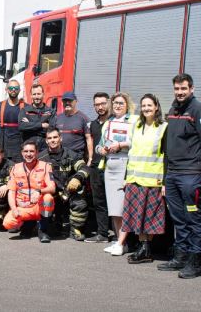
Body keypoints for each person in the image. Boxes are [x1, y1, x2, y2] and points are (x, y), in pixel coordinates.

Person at [157, 73, 201, 279]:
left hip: (191, 175)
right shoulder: (173, 109)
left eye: (183, 89)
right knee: (178, 219)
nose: (180, 92)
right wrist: (165, 177)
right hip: (172, 175)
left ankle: (194, 260)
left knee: (194, 219)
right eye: (177, 89)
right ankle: (180, 256)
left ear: (192, 89)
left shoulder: (199, 110)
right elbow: (167, 146)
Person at [121, 94, 168, 264]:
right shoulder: (137, 125)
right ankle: (144, 248)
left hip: (153, 181)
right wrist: (127, 178)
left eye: (149, 105)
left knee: (150, 217)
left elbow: (167, 156)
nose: (146, 108)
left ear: (156, 107)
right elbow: (132, 153)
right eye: (143, 105)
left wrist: (165, 182)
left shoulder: (163, 127)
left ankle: (146, 248)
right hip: (135, 179)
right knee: (137, 216)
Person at [97, 92, 137, 256]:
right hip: (110, 165)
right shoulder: (109, 122)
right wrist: (103, 150)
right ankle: (120, 241)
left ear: (127, 104)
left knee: (121, 208)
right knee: (113, 208)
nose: (118, 106)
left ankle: (121, 243)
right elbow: (100, 145)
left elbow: (136, 142)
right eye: (115, 103)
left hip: (124, 165)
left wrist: (120, 145)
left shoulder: (134, 121)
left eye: (121, 103)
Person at [38, 127, 91, 241]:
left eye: (55, 137)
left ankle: (76, 229)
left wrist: (77, 178)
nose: (53, 140)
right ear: (46, 141)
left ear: (60, 138)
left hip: (69, 191)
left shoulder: (71, 154)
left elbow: (84, 168)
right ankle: (46, 227)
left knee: (80, 202)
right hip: (52, 192)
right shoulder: (41, 158)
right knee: (45, 200)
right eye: (49, 138)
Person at [3, 139, 55, 243]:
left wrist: (40, 191)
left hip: (39, 207)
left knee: (48, 198)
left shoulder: (46, 166)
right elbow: (11, 192)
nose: (29, 154)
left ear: (36, 153)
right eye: (26, 151)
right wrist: (13, 209)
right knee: (8, 223)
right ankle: (28, 225)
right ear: (22, 153)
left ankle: (43, 230)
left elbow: (52, 188)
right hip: (23, 207)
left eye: (31, 151)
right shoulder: (15, 168)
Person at [84, 92, 112, 243]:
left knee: (114, 202)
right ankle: (103, 233)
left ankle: (121, 236)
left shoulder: (115, 122)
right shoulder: (93, 125)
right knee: (99, 201)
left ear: (108, 103)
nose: (100, 107)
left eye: (102, 103)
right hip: (96, 167)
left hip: (112, 168)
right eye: (97, 105)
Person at [51, 91, 93, 163]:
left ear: (75, 101)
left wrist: (90, 158)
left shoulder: (83, 118)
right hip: (60, 157)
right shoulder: (58, 118)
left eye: (70, 101)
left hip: (77, 157)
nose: (67, 103)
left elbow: (89, 139)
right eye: (65, 101)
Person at [18, 84, 53, 152]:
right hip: (29, 148)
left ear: (43, 94)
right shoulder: (25, 110)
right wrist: (41, 125)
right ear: (31, 95)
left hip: (45, 148)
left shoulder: (50, 111)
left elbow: (52, 128)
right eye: (34, 94)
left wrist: (30, 124)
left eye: (39, 94)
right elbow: (21, 126)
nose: (36, 97)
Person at [0, 80, 24, 162]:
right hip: (3, 147)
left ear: (19, 90)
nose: (13, 90)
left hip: (18, 149)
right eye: (11, 88)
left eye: (16, 88)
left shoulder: (25, 107)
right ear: (6, 89)